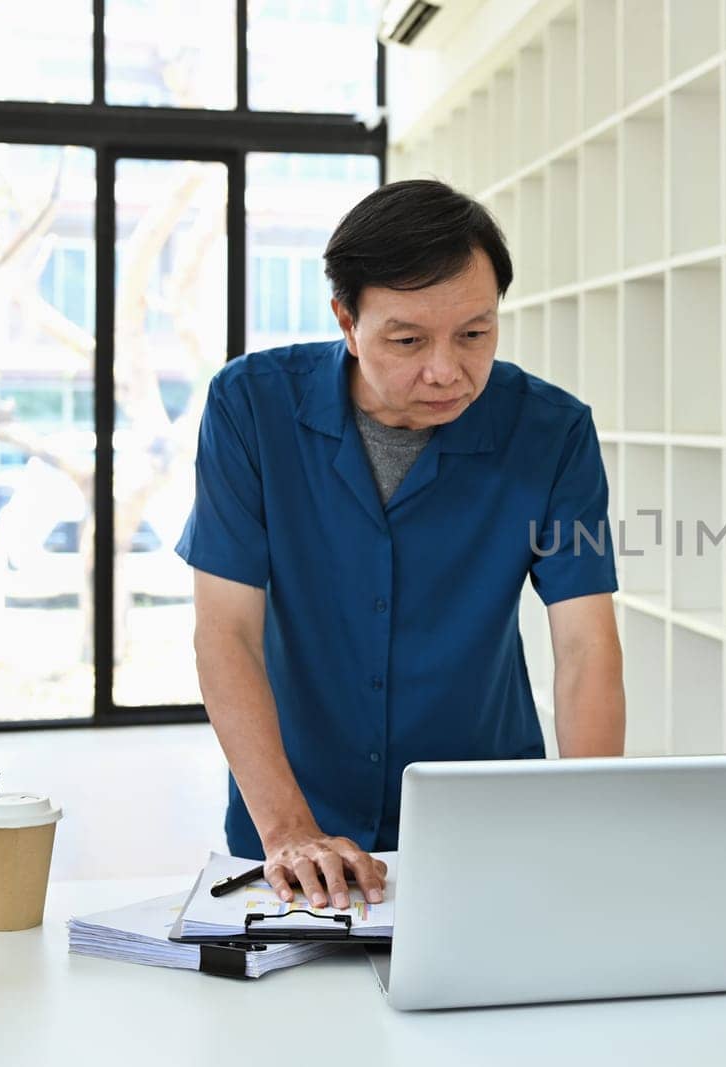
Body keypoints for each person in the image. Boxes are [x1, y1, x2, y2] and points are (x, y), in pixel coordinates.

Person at [176, 179, 624, 909]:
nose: (446, 369)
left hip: (487, 817)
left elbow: (586, 646)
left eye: (475, 334)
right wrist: (289, 828)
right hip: (293, 823)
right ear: (346, 321)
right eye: (409, 339)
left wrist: (592, 820)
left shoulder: (553, 434)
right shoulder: (250, 407)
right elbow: (225, 631)